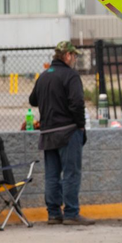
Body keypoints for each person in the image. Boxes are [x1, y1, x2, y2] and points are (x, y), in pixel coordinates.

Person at [29, 40, 94, 226]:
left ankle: (54, 213)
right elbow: (77, 103)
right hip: (68, 131)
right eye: (74, 56)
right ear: (67, 56)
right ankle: (71, 213)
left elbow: (33, 100)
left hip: (48, 132)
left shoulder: (43, 76)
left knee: (52, 175)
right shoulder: (71, 76)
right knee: (71, 173)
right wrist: (80, 125)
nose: (75, 60)